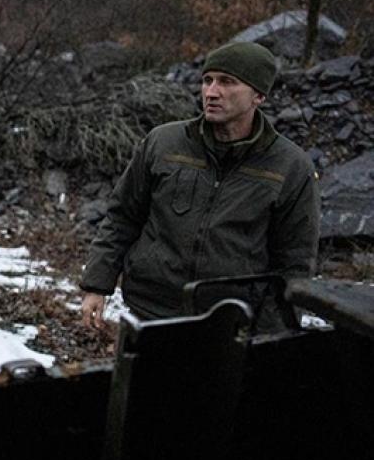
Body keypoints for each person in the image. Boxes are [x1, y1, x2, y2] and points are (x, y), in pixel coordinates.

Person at [80, 41, 320, 331]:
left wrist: (276, 333)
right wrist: (97, 286)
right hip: (150, 311)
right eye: (207, 80)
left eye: (227, 82)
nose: (211, 92)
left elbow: (294, 262)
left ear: (258, 95)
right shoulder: (163, 143)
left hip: (231, 321)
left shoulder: (290, 166)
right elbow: (122, 217)